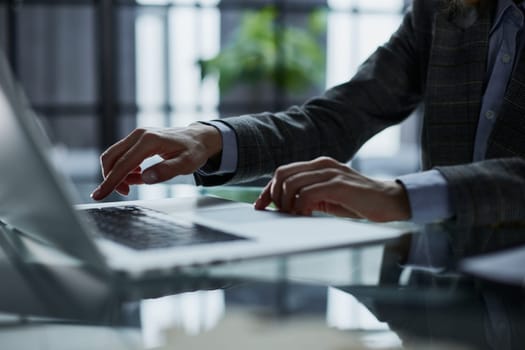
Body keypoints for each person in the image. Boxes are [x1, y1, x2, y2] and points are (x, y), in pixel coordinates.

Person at [91, 0, 525, 227]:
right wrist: (212, 138)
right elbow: (340, 117)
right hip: (452, 301)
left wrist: (404, 195)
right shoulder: (444, 9)